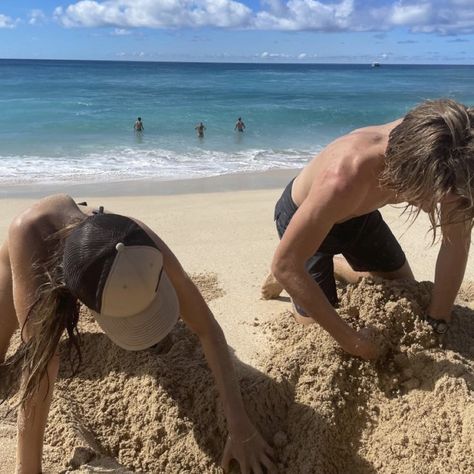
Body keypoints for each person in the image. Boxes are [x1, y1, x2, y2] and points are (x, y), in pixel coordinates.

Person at [0, 194, 275, 474]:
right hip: (25, 257)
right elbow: (41, 367)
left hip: (96, 256)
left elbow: (207, 327)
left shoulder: (136, 241)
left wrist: (239, 424)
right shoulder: (29, 237)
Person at [262, 99, 474, 360]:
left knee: (403, 287)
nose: (433, 209)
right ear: (408, 171)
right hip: (304, 214)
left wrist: (437, 322)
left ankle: (336, 266)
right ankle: (296, 256)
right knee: (316, 331)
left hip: (358, 214)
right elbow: (286, 265)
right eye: (431, 197)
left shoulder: (455, 153)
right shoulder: (345, 175)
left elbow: (456, 242)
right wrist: (355, 343)